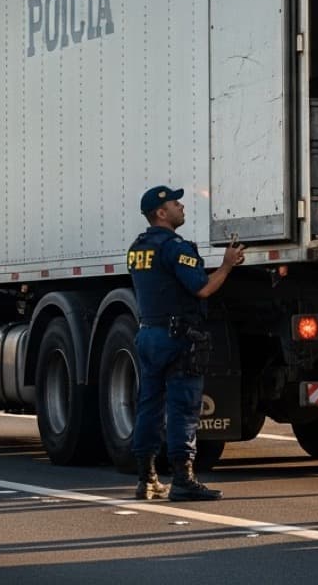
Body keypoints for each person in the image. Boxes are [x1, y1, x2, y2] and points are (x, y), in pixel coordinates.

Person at [128, 184, 246, 502]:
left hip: (148, 334)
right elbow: (203, 289)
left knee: (149, 406)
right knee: (183, 408)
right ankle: (183, 479)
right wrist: (227, 264)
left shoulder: (137, 248)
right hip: (176, 337)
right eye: (176, 204)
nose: (182, 207)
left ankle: (147, 478)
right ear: (161, 212)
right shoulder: (175, 247)